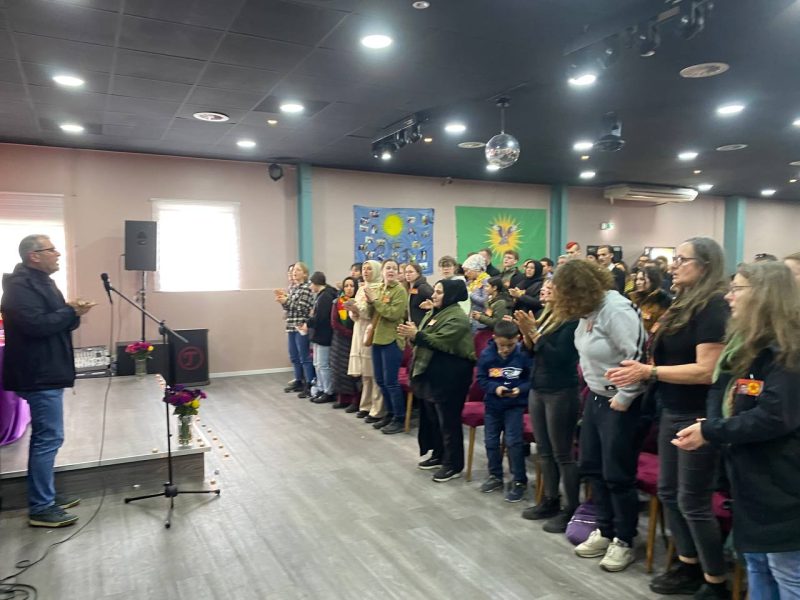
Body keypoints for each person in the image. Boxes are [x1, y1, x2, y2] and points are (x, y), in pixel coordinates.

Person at [608, 237, 729, 597]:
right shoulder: (683, 302)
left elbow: (707, 371)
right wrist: (645, 370)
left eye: (682, 259)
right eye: (674, 259)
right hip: (672, 407)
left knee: (693, 501)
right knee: (669, 493)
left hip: (696, 414)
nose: (673, 265)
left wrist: (650, 372)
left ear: (705, 266)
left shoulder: (713, 306)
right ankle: (687, 564)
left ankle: (715, 581)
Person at [674, 261, 800, 600]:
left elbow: (774, 417)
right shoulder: (754, 346)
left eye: (737, 289)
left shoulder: (789, 352)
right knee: (757, 565)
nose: (728, 297)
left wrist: (712, 431)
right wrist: (713, 426)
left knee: (787, 574)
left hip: (783, 484)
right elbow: (740, 400)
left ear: (764, 295)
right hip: (753, 479)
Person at [551, 260, 646, 573]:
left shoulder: (616, 310)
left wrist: (625, 396)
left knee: (618, 474)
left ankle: (624, 539)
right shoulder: (588, 311)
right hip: (595, 398)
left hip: (621, 402)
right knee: (592, 467)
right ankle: (604, 529)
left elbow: (637, 356)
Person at [2, 234, 95, 527]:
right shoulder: (19, 288)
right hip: (38, 373)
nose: (58, 254)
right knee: (48, 438)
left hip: (48, 369)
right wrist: (69, 311)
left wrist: (74, 313)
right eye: (51, 250)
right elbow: (37, 325)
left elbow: (59, 320)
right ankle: (41, 507)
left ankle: (46, 496)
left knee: (48, 437)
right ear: (34, 256)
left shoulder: (44, 282)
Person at [515, 285, 581, 533]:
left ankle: (571, 508)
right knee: (543, 450)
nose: (545, 290)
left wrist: (534, 332)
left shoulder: (572, 321)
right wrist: (527, 334)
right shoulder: (547, 315)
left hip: (561, 390)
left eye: (551, 287)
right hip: (539, 387)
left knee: (562, 453)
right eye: (544, 287)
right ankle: (550, 500)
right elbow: (532, 352)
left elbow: (560, 357)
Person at [398, 279, 475, 482]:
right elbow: (424, 336)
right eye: (435, 291)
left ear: (451, 295)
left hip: (451, 375)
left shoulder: (457, 317)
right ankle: (439, 455)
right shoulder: (435, 312)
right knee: (433, 419)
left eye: (439, 292)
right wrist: (412, 334)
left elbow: (440, 341)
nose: (433, 295)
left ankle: (453, 464)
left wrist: (417, 334)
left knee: (449, 422)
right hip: (433, 373)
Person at [475, 320, 531, 502]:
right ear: (494, 339)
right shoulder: (487, 355)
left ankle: (519, 480)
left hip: (515, 406)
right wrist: (495, 388)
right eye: (502, 345)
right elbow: (481, 379)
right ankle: (495, 475)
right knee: (491, 441)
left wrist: (520, 389)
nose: (506, 349)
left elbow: (531, 379)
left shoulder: (523, 355)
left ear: (518, 339)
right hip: (493, 405)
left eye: (510, 345)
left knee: (514, 442)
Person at [366, 259, 408, 435]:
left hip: (392, 340)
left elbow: (393, 314)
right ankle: (389, 413)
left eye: (394, 268)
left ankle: (399, 418)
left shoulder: (400, 291)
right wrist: (370, 303)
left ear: (398, 272)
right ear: (382, 271)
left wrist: (375, 301)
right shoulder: (379, 289)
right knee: (380, 380)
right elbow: (373, 314)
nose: (391, 271)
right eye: (388, 268)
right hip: (377, 338)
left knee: (391, 382)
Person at [347, 260, 384, 421]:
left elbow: (374, 312)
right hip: (359, 329)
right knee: (365, 373)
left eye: (369, 269)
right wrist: (353, 311)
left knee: (374, 372)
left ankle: (377, 409)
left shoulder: (380, 288)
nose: (365, 272)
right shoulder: (362, 288)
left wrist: (359, 310)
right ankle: (365, 405)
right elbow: (356, 311)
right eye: (364, 269)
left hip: (372, 329)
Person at [276, 262, 316, 398]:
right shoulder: (293, 287)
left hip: (301, 326)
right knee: (294, 355)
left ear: (304, 274)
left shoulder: (306, 288)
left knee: (304, 356)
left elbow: (302, 308)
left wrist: (286, 301)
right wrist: (283, 301)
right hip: (291, 325)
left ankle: (309, 384)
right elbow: (288, 308)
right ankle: (299, 380)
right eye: (293, 270)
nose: (294, 272)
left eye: (298, 270)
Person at [302, 272, 338, 404]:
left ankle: (328, 391)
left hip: (324, 335)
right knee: (317, 364)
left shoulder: (325, 297)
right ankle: (321, 388)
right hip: (318, 335)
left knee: (323, 365)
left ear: (316, 283)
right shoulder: (321, 295)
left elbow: (320, 317)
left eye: (311, 284)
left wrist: (308, 322)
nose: (310, 287)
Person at [329, 277, 360, 410]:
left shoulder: (359, 302)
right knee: (339, 370)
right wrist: (347, 332)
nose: (349, 288)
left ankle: (355, 401)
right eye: (346, 286)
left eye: (352, 286)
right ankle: (342, 399)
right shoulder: (337, 302)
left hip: (355, 339)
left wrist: (353, 334)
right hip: (340, 339)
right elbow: (334, 322)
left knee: (353, 372)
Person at [628, 265, 671, 333]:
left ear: (652, 280)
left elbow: (660, 327)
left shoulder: (663, 301)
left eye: (642, 279)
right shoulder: (631, 298)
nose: (638, 283)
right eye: (637, 279)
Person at [462, 254, 490, 332]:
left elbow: (485, 301)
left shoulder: (486, 280)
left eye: (467, 270)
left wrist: (470, 294)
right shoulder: (471, 282)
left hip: (481, 322)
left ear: (475, 269)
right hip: (472, 319)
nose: (465, 274)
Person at [404, 263, 433, 327]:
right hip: (412, 326)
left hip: (423, 326)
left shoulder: (423, 288)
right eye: (406, 272)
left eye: (411, 272)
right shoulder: (410, 288)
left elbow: (435, 302)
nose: (407, 274)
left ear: (418, 273)